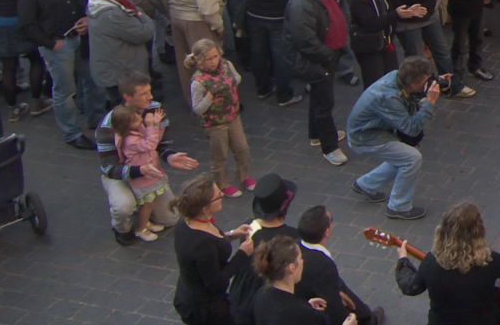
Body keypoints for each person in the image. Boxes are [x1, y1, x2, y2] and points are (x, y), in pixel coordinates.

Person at [19, 0, 99, 148]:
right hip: (57, 44)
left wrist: (84, 18)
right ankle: (72, 133)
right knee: (64, 89)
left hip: (77, 36)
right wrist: (49, 42)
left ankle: (96, 119)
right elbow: (27, 23)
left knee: (90, 79)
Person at [392, 202, 500, 324]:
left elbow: (410, 287)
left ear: (443, 231)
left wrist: (403, 260)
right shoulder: (490, 260)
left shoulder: (431, 262)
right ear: (478, 231)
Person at [346, 56, 440, 221]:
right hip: (365, 136)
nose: (427, 83)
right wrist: (430, 102)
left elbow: (408, 102)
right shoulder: (388, 96)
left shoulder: (397, 77)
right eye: (425, 81)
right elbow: (411, 128)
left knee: (404, 155)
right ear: (413, 84)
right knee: (411, 158)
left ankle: (366, 185)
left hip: (376, 129)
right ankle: (399, 206)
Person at [286, 0, 349, 166]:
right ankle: (330, 147)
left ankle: (316, 134)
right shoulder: (302, 1)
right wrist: (328, 55)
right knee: (324, 102)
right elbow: (305, 40)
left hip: (326, 55)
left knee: (318, 96)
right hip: (318, 59)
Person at [172, 174, 256, 325]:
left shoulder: (188, 222)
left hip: (188, 291)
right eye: (218, 196)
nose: (222, 195)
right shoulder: (202, 245)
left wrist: (231, 234)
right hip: (205, 308)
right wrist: (242, 254)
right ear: (205, 209)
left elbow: (214, 239)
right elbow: (216, 283)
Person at [186, 39, 253, 200]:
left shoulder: (226, 65)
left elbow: (237, 78)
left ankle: (243, 176)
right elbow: (197, 108)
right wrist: (209, 98)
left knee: (242, 148)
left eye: (215, 56)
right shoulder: (198, 82)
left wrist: (230, 84)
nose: (214, 61)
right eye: (209, 58)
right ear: (200, 60)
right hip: (215, 124)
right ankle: (222, 184)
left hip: (233, 116)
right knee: (219, 155)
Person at [254, 235, 354, 325]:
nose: (303, 262)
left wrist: (306, 305)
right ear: (292, 268)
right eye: (300, 258)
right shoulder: (307, 316)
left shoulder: (261, 295)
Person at [107, 101, 169, 241]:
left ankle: (146, 222)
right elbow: (150, 145)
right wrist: (152, 125)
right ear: (127, 125)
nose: (140, 119)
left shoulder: (135, 130)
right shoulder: (130, 140)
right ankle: (141, 229)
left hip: (149, 175)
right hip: (143, 178)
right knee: (147, 204)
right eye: (136, 119)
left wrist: (155, 125)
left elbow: (152, 138)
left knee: (150, 203)